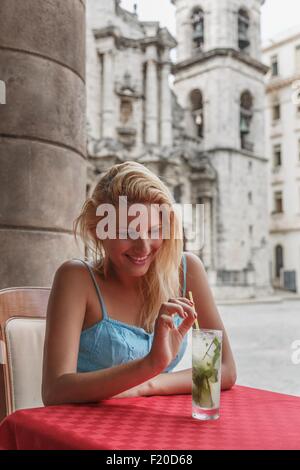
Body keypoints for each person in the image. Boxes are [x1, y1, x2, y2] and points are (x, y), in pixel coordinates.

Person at [42, 161, 236, 405]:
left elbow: (223, 369)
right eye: (126, 233)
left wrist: (148, 384)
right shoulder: (76, 278)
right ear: (96, 231)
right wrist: (149, 366)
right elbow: (55, 392)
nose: (143, 247)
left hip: (151, 423)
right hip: (84, 429)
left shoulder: (187, 269)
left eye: (154, 231)